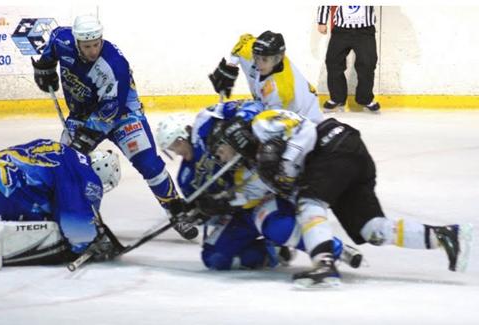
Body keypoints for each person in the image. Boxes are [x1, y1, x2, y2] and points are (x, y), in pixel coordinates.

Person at [219, 108, 473, 288]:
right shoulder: (257, 169)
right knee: (371, 229)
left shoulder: (262, 124)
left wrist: (286, 159)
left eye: (223, 147)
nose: (222, 154)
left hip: (333, 143)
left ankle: (325, 266)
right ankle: (446, 237)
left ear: (235, 139)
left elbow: (306, 129)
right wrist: (220, 202)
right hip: (343, 163)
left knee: (310, 202)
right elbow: (254, 192)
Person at [30, 15, 195, 239]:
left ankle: (176, 210)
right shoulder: (62, 39)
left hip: (124, 116)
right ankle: (63, 214)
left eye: (96, 44)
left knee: (149, 164)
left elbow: (110, 110)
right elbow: (52, 47)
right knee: (65, 165)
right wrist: (45, 65)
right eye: (87, 46)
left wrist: (86, 137)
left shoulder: (113, 64)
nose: (92, 51)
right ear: (77, 42)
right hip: (81, 114)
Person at [156, 102, 364, 271]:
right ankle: (272, 251)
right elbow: (207, 211)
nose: (176, 152)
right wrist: (198, 212)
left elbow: (253, 106)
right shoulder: (186, 177)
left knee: (277, 226)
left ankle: (333, 248)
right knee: (214, 258)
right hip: (236, 208)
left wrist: (239, 122)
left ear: (183, 135)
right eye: (171, 149)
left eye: (175, 144)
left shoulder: (206, 121)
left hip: (259, 196)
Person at [0, 139, 124, 269]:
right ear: (102, 170)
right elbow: (74, 219)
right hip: (2, 193)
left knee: (40, 206)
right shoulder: (84, 173)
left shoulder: (65, 153)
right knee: (56, 233)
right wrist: (88, 243)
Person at [208, 31, 324, 123]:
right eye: (257, 57)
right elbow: (244, 41)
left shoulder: (282, 90)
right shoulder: (255, 53)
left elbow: (269, 124)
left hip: (304, 122)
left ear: (278, 58)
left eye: (265, 60)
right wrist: (231, 65)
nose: (259, 64)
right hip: (274, 108)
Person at [317, 6, 381, 113]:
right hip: (341, 30)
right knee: (333, 61)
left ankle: (365, 99)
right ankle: (337, 99)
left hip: (365, 31)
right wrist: (321, 21)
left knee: (368, 63)